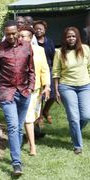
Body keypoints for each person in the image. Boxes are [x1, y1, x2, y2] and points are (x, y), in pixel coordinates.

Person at [0, 20, 35, 176]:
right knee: (13, 126)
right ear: (4, 33)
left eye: (13, 33)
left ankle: (16, 152)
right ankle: (16, 163)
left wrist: (30, 87)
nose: (11, 36)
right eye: (7, 33)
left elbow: (31, 70)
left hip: (24, 92)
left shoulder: (27, 47)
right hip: (6, 92)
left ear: (18, 32)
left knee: (19, 126)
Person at [53, 26, 90, 155]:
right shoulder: (59, 52)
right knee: (74, 117)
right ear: (65, 38)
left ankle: (75, 131)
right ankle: (77, 145)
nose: (71, 38)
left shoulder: (85, 49)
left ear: (77, 37)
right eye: (68, 36)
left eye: (73, 36)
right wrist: (56, 90)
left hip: (85, 86)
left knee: (86, 116)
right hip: (67, 87)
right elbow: (56, 72)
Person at [18, 25, 50, 156]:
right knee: (26, 118)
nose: (19, 38)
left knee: (31, 117)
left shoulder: (39, 50)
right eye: (19, 36)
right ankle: (29, 145)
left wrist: (46, 86)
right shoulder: (14, 50)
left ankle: (29, 142)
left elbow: (44, 69)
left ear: (30, 38)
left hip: (35, 89)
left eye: (22, 36)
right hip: (19, 89)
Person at [33, 20, 56, 125]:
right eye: (36, 29)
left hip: (49, 70)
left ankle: (46, 110)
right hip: (37, 70)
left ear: (45, 30)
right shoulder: (32, 42)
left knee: (53, 95)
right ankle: (40, 115)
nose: (38, 31)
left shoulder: (49, 42)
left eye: (40, 29)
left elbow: (53, 57)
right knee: (40, 94)